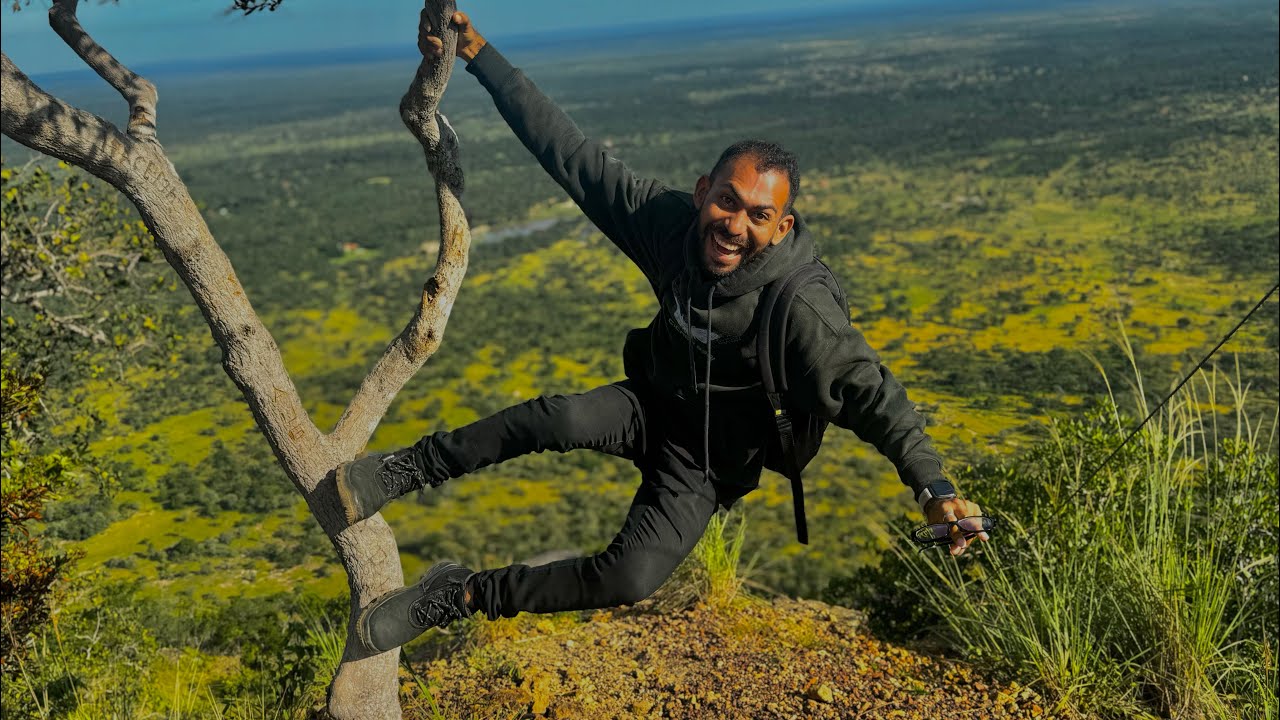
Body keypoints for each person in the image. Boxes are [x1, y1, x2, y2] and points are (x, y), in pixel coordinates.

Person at [341, 10, 991, 656]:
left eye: (760, 215)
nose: (737, 224)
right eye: (727, 201)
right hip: (652, 403)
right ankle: (408, 468)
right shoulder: (672, 227)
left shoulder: (800, 311)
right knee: (558, 420)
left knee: (631, 577)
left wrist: (935, 490)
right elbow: (572, 157)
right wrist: (479, 53)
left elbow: (879, 398)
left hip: (706, 467)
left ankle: (456, 595)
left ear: (783, 229)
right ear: (704, 191)